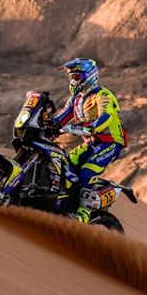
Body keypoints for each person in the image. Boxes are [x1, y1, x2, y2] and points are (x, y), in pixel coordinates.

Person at [52, 58, 128, 222]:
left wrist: (93, 127)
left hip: (110, 143)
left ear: (90, 76)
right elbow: (62, 117)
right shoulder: (76, 99)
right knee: (63, 164)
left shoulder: (103, 95)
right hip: (90, 144)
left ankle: (83, 214)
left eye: (77, 77)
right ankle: (65, 202)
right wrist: (47, 125)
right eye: (72, 77)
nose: (73, 81)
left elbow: (106, 115)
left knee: (87, 172)